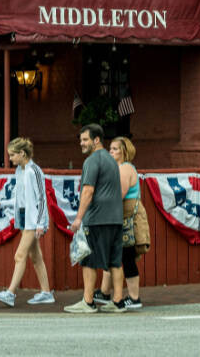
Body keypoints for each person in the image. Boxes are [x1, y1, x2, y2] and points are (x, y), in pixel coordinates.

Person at [64, 124, 124, 313]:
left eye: (85, 140)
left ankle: (88, 302)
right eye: (80, 140)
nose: (81, 143)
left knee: (88, 259)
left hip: (97, 218)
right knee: (115, 261)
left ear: (96, 140)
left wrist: (78, 219)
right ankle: (118, 301)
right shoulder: (112, 160)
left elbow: (88, 190)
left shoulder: (92, 161)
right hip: (115, 218)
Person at [0, 137, 53, 307]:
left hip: (33, 221)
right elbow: (21, 198)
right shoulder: (20, 170)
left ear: (22, 153)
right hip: (25, 217)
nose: (10, 159)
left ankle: (10, 293)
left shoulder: (34, 171)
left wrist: (40, 223)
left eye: (12, 155)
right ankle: (46, 293)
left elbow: (41, 199)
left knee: (20, 255)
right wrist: (3, 203)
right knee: (36, 257)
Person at [95, 136, 144, 310]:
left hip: (126, 217)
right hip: (119, 216)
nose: (111, 151)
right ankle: (105, 291)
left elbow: (119, 195)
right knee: (114, 255)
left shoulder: (125, 168)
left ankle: (134, 297)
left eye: (115, 149)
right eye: (110, 148)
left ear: (124, 151)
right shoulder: (118, 168)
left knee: (127, 256)